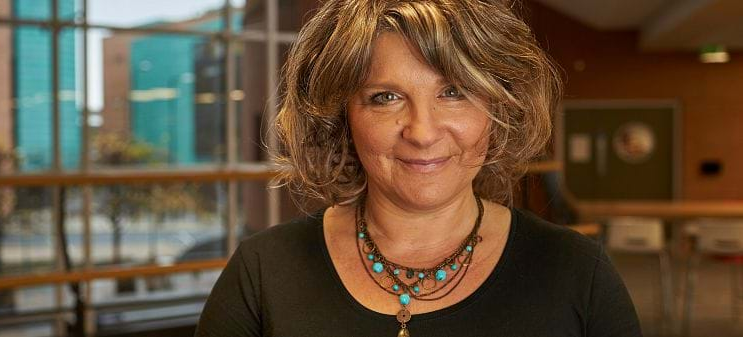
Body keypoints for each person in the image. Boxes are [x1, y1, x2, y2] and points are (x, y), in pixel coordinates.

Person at [195, 0, 641, 336]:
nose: (423, 132)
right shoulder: (264, 270)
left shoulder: (578, 271)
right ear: (342, 118)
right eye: (385, 97)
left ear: (498, 108)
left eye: (454, 92)